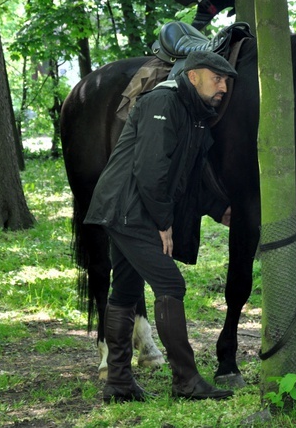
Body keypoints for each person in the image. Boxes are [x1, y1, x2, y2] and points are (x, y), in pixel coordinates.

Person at [84, 50, 237, 404]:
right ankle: (186, 380)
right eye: (218, 79)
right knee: (170, 283)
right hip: (127, 208)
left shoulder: (196, 115)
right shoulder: (163, 102)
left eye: (227, 80)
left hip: (132, 209)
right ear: (195, 76)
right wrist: (163, 222)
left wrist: (218, 209)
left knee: (124, 290)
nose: (224, 87)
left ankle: (118, 381)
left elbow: (189, 175)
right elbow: (150, 168)